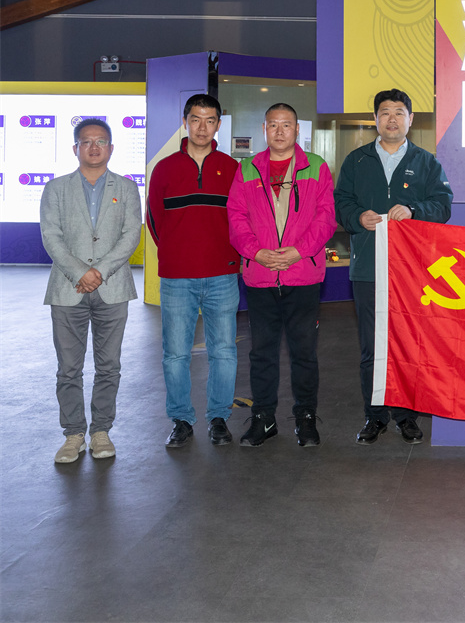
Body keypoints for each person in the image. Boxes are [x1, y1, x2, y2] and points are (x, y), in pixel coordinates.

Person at [334, 88, 453, 445]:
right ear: (375, 119)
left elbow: (443, 205)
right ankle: (375, 416)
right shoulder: (356, 161)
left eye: (399, 112)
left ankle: (406, 415)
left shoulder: (426, 162)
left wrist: (415, 211)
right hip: (368, 269)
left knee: (409, 344)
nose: (392, 119)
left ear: (410, 119)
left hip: (412, 271)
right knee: (372, 347)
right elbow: (340, 204)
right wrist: (358, 217)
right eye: (385, 112)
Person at [226, 103, 337, 447]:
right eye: (272, 124)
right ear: (264, 129)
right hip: (260, 276)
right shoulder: (247, 169)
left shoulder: (316, 167)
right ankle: (264, 419)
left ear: (297, 130)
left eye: (286, 125)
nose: (279, 131)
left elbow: (326, 218)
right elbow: (236, 216)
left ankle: (306, 418)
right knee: (262, 353)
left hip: (302, 275)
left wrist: (299, 251)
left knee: (304, 353)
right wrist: (256, 252)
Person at [42, 118, 141, 463]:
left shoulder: (126, 188)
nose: (94, 147)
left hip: (112, 288)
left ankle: (101, 432)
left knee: (109, 366)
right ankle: (73, 435)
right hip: (67, 288)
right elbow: (51, 236)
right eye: (87, 142)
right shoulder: (56, 189)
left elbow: (131, 235)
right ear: (76, 148)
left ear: (111, 148)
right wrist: (80, 272)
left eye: (101, 141)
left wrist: (99, 272)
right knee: (68, 368)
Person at [147, 94, 240, 448]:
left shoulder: (231, 168)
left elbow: (241, 221)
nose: (202, 127)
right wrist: (175, 254)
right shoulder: (164, 168)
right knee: (175, 354)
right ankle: (181, 420)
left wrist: (231, 256)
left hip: (222, 274)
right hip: (176, 277)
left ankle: (219, 418)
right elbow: (154, 219)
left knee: (224, 351)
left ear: (218, 124)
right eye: (196, 119)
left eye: (210, 120)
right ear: (185, 121)